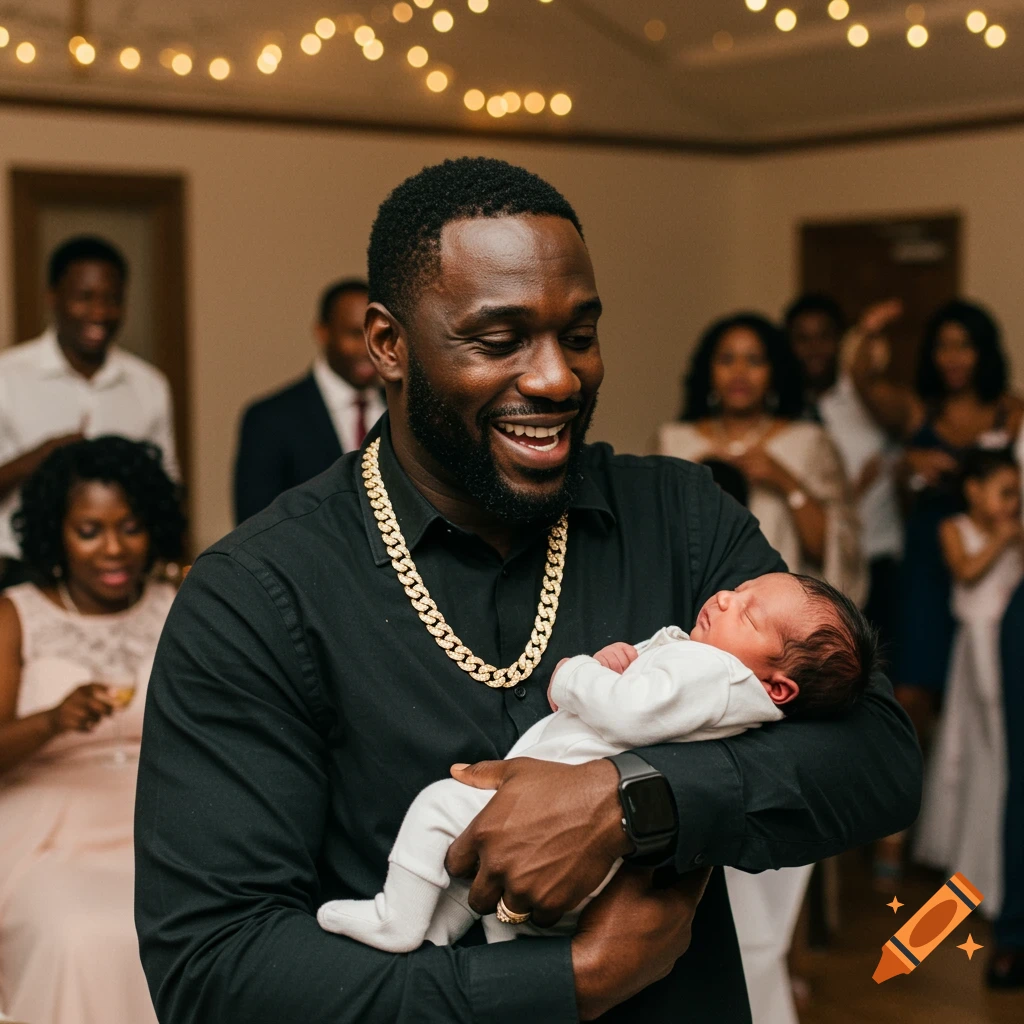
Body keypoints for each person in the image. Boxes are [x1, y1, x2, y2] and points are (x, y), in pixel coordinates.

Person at [134, 157, 920, 1024]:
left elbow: (877, 758)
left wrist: (630, 802)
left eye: (578, 334)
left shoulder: (680, 517)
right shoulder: (256, 594)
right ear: (389, 347)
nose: (557, 378)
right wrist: (568, 983)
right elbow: (214, 971)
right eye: (500, 339)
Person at [318, 572, 877, 952]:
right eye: (740, 589)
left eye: (750, 616)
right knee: (478, 873)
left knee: (440, 807)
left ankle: (398, 918)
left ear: (778, 688)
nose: (728, 598)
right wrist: (625, 661)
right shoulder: (724, 686)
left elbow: (630, 714)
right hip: (586, 850)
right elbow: (653, 695)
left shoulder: (717, 673)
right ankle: (434, 934)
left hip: (562, 813)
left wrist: (575, 673)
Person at [657, 312, 866, 1024]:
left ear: (773, 370)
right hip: (702, 632)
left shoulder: (806, 442)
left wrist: (782, 479)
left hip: (782, 648)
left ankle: (784, 963)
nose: (740, 372)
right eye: (725, 359)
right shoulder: (675, 445)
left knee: (778, 816)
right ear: (708, 373)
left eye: (753, 359)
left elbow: (834, 548)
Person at [0, 436, 184, 1024]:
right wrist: (52, 722)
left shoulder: (181, 603)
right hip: (48, 833)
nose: (114, 550)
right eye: (89, 531)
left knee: (188, 924)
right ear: (57, 532)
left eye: (129, 527)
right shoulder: (17, 614)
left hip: (163, 822)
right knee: (80, 933)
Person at [0, 236, 178, 589]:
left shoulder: (148, 385)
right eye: (85, 297)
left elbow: (168, 488)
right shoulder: (7, 376)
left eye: (112, 300)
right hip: (24, 572)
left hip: (122, 574)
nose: (100, 312)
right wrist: (41, 457)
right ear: (54, 297)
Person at [914, 447, 1022, 915]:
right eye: (1005, 492)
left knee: (1003, 750)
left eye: (1017, 494)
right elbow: (967, 572)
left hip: (1011, 646)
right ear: (973, 491)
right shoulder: (953, 528)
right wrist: (1002, 539)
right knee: (977, 745)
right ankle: (973, 867)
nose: (1012, 504)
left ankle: (998, 865)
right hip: (976, 651)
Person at [786, 294, 904, 661]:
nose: (813, 348)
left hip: (878, 557)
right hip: (812, 570)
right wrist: (853, 489)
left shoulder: (864, 396)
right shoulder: (783, 410)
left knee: (883, 677)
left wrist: (867, 336)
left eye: (823, 336)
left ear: (838, 340)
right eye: (802, 338)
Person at [233, 278, 384, 523]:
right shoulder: (270, 419)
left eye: (377, 334)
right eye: (355, 334)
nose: (368, 348)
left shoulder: (404, 410)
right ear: (322, 333)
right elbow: (254, 527)